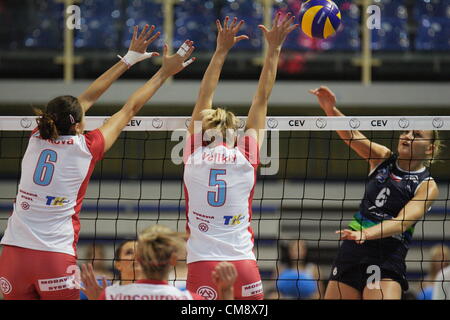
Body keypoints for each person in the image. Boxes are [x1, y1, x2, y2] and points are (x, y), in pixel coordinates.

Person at [0, 24, 196, 300]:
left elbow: (86, 99)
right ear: (79, 123)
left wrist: (128, 58)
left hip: (13, 255)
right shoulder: (87, 148)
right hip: (55, 257)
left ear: (49, 117)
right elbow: (129, 108)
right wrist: (164, 71)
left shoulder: (38, 135)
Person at [183, 14, 298, 300]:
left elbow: (204, 94)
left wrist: (221, 50)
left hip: (202, 263)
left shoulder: (194, 152)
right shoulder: (246, 156)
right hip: (242, 263)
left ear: (203, 129)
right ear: (235, 132)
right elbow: (262, 97)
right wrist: (274, 49)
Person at [310, 86, 441, 300]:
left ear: (430, 149)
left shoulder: (427, 185)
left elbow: (401, 222)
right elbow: (352, 135)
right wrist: (330, 109)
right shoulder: (383, 158)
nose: (407, 136)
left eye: (416, 135)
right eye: (406, 131)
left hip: (387, 254)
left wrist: (366, 234)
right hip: (353, 250)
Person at [94, 225, 237, 300]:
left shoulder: (111, 295)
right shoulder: (189, 299)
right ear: (173, 260)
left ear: (139, 259)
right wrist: (226, 290)